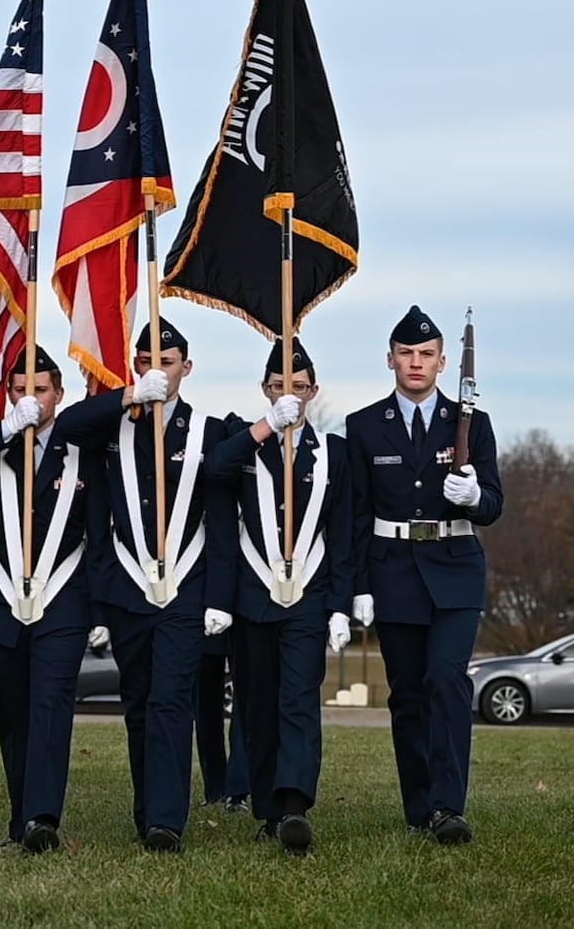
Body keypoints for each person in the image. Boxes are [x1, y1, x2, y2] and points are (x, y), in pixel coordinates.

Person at [53, 318, 238, 853]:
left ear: (187, 366)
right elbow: (66, 427)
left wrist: (220, 598)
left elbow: (222, 520)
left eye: (167, 360)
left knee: (171, 701)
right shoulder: (114, 425)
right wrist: (131, 393)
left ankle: (166, 821)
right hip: (125, 587)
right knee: (137, 703)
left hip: (187, 586)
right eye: (145, 360)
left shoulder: (208, 432)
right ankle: (146, 810)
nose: (157, 367)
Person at [0, 346, 105, 854]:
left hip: (63, 598)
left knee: (51, 706)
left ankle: (41, 819)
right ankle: (20, 817)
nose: (30, 398)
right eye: (19, 390)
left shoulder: (82, 453)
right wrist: (10, 427)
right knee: (13, 714)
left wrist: (97, 611)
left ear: (60, 393)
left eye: (40, 389)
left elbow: (97, 534)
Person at [345, 306, 503, 845]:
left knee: (447, 681)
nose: (416, 363)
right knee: (407, 694)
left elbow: (494, 504)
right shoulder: (364, 426)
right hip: (392, 573)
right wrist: (359, 587)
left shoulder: (471, 423)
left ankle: (448, 806)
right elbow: (357, 513)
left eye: (427, 355)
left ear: (442, 364)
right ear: (390, 359)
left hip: (455, 570)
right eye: (407, 354)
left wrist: (475, 497)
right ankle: (419, 808)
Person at [208, 338, 353, 855]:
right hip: (252, 597)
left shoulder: (334, 452)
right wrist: (267, 425)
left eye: (296, 386)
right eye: (276, 387)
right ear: (265, 391)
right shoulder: (244, 442)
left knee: (298, 701)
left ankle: (294, 805)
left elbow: (342, 533)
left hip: (309, 597)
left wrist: (341, 603)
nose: (287, 393)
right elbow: (214, 471)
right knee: (258, 704)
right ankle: (268, 808)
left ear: (313, 390)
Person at [193, 632, 248, 813]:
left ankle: (237, 791)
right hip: (201, 621)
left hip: (242, 619)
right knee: (204, 706)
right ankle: (215, 789)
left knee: (244, 708)